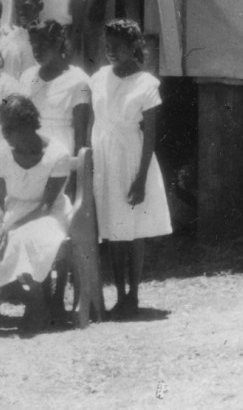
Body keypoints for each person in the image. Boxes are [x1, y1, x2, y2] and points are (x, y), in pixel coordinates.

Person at [91, 19, 172, 319]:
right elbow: (94, 121)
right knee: (113, 228)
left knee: (134, 229)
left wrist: (141, 178)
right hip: (104, 158)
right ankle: (120, 294)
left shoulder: (147, 84)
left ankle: (134, 295)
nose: (111, 52)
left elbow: (149, 136)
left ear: (133, 47)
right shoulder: (98, 78)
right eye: (107, 46)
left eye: (118, 47)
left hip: (132, 158)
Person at [0, 95, 72, 332]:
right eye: (3, 126)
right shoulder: (2, 152)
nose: (5, 132)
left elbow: (45, 207)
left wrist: (9, 229)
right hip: (12, 210)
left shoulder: (57, 154)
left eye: (11, 127)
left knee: (29, 237)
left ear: (28, 125)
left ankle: (37, 303)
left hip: (49, 215)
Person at [21, 19, 92, 160]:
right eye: (33, 45)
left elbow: (81, 136)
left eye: (42, 45)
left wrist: (74, 174)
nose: (37, 51)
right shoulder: (26, 76)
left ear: (58, 43)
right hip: (30, 155)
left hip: (62, 156)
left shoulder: (80, 80)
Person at [0, 0, 41, 78]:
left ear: (40, 6)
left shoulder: (46, 35)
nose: (21, 11)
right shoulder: (11, 39)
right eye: (18, 7)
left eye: (27, 7)